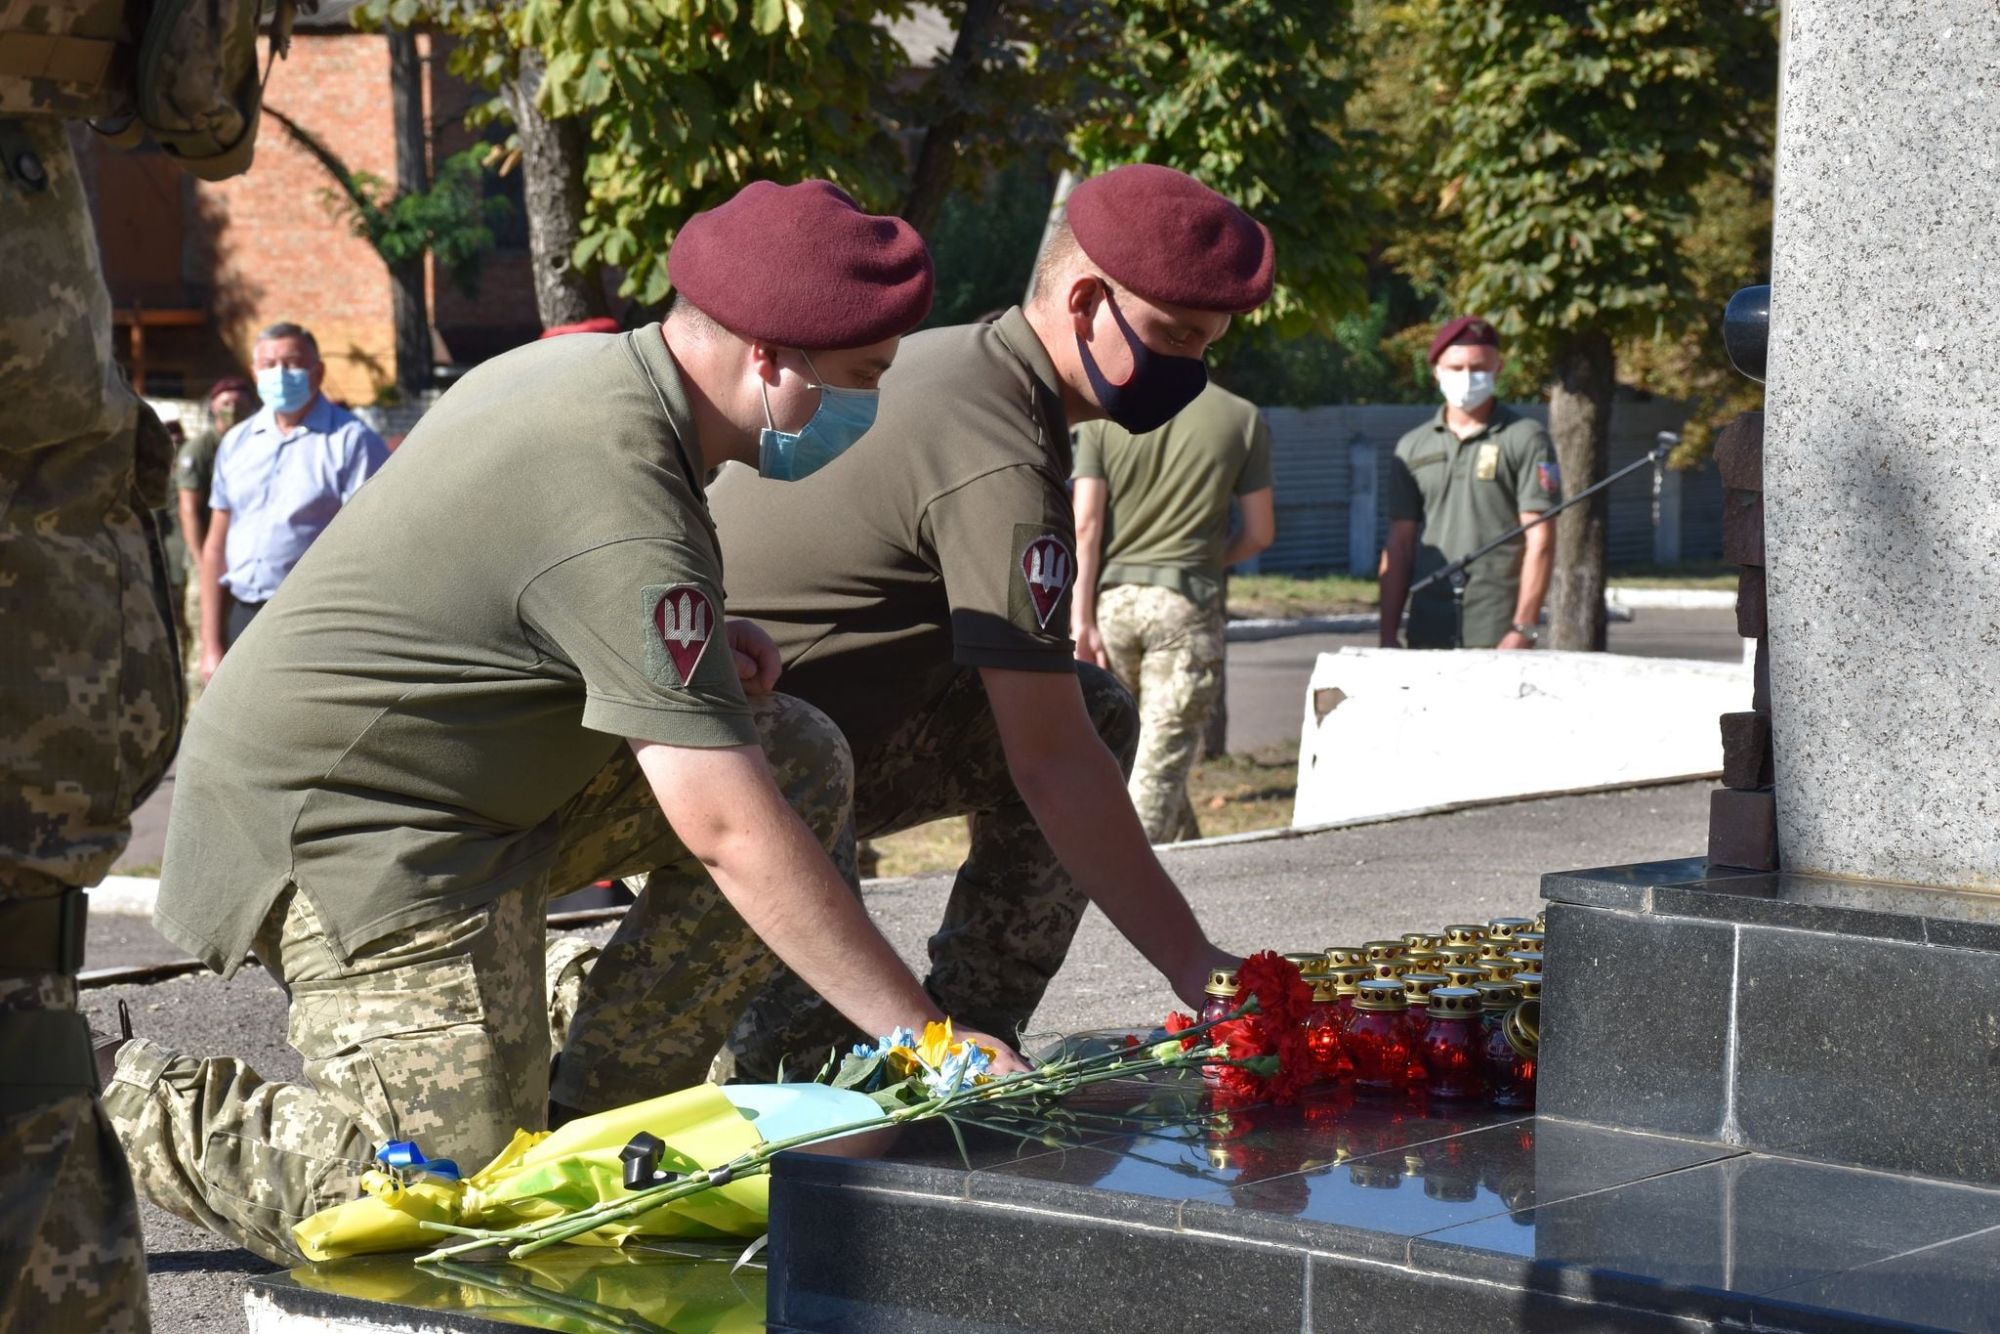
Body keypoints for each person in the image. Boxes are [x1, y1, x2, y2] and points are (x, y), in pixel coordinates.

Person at [100, 179, 1025, 1264]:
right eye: (861, 381)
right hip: (349, 829)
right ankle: (90, 1088)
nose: (868, 409)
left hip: (477, 788)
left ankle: (605, 1105)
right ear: (769, 359)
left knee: (795, 751)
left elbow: (533, 591)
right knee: (451, 1206)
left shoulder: (616, 383)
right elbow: (722, 822)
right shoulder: (615, 466)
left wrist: (699, 645)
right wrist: (922, 1035)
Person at [690, 164, 1269, 1090]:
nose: (1191, 371)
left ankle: (978, 1029)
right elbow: (1051, 762)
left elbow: (1052, 726)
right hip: (744, 773)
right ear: (1085, 301)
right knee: (806, 1092)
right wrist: (1197, 967)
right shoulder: (997, 448)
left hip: (815, 743)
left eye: (1207, 346)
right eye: (1174, 337)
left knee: (1097, 706)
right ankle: (609, 1005)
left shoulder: (980, 371)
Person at [1070, 381, 1275, 844]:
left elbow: (1085, 524)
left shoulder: (1108, 413)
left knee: (1127, 753)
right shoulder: (1241, 416)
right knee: (1158, 767)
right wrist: (1204, 560)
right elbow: (1260, 534)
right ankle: (1127, 888)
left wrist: (1080, 619)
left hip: (1111, 607)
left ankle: (1185, 862)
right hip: (1186, 605)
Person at [197, 322, 389, 680]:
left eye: (292, 363)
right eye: (269, 364)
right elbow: (215, 547)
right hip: (242, 616)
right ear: (254, 373)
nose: (280, 374)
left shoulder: (352, 443)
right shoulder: (237, 442)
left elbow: (370, 549)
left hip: (311, 624)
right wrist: (210, 644)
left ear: (317, 372)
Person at [1379, 316, 1559, 650]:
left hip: (1497, 629)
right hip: (1427, 627)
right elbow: (1399, 545)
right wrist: (1388, 634)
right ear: (1436, 370)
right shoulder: (1413, 446)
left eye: (1478, 369)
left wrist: (1524, 627)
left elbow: (1541, 539)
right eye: (1456, 367)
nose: (1468, 378)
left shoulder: (1525, 438)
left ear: (1498, 369)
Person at [174, 375, 257, 704]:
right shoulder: (201, 448)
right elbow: (188, 510)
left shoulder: (254, 443)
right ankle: (197, 719)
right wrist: (200, 561)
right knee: (204, 650)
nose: (233, 409)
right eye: (225, 403)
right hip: (208, 560)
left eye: (239, 402)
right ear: (212, 407)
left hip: (243, 562)